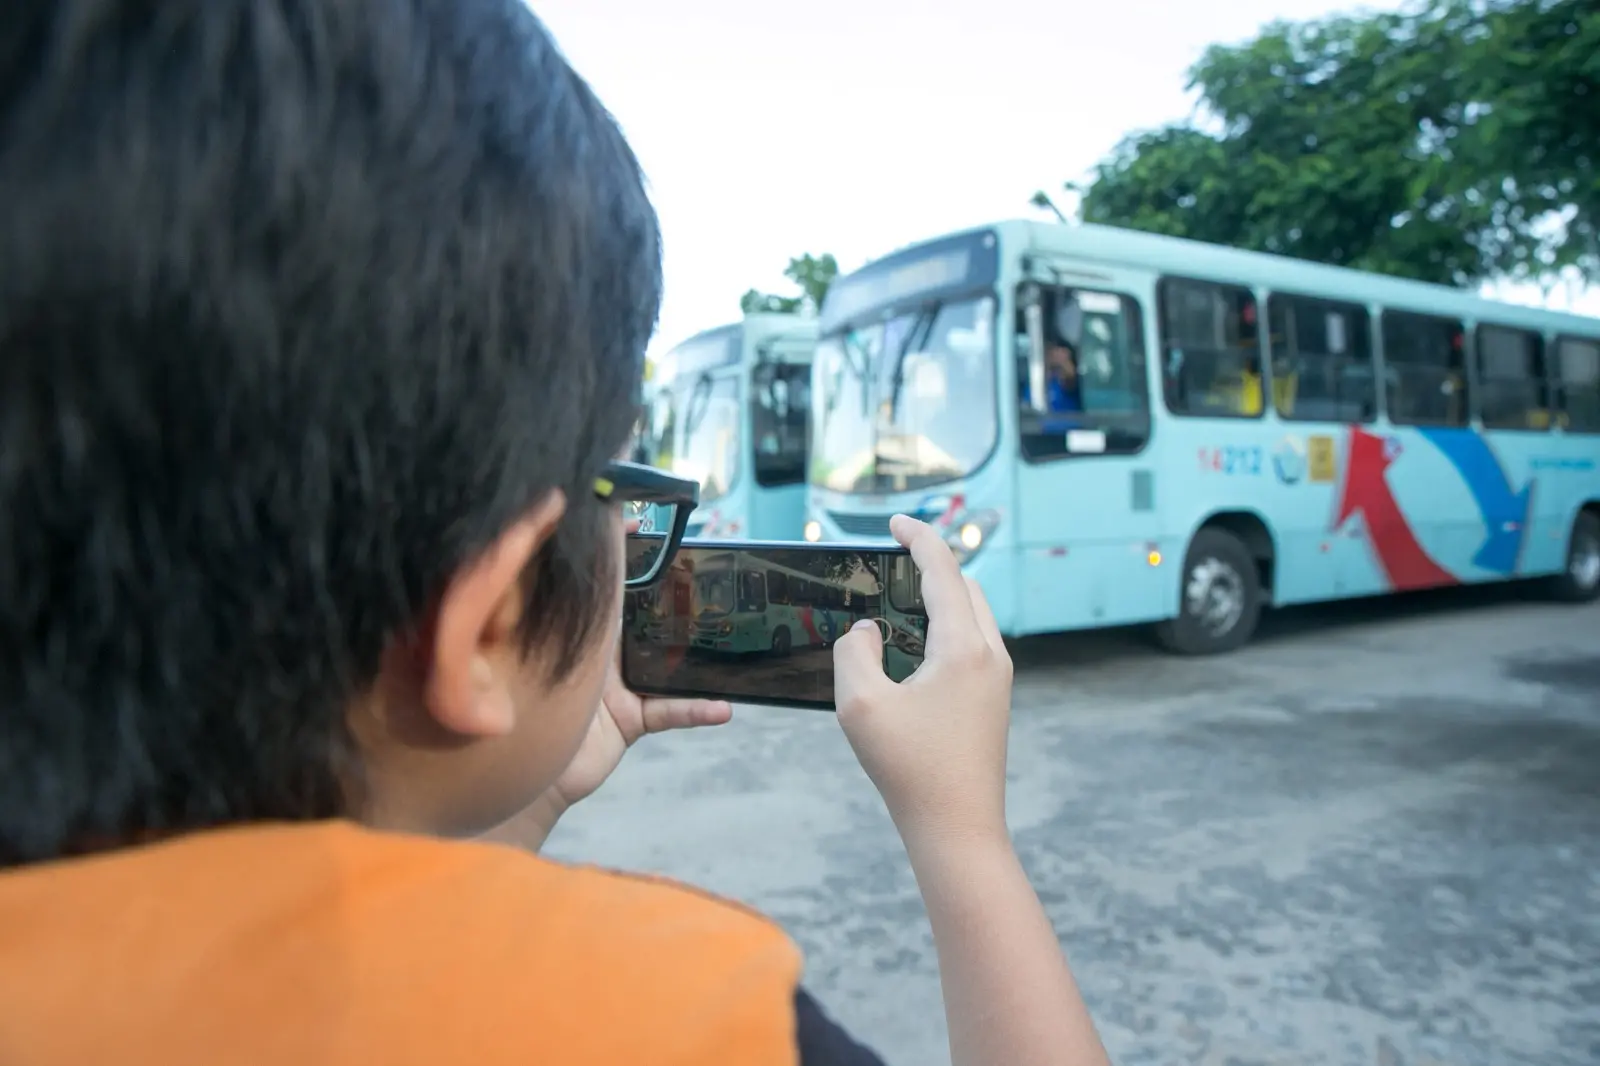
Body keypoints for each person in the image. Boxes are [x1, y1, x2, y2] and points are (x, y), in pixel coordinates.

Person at [0, 3, 1110, 1065]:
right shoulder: (685, 1028)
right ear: (495, 619)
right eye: (621, 488)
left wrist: (517, 794)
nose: (634, 537)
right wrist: (963, 836)